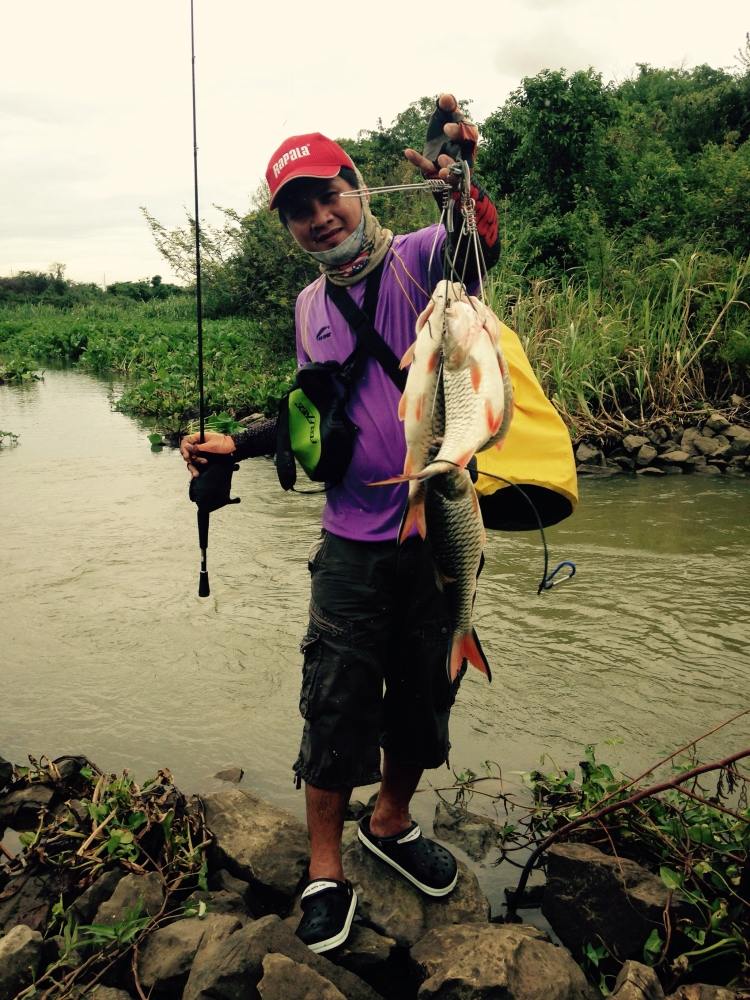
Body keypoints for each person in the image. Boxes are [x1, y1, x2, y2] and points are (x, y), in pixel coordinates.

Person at [181, 94, 500, 954]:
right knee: (335, 703)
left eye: (330, 196)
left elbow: (477, 243)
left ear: (360, 189)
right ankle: (325, 867)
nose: (320, 218)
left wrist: (459, 178)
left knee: (425, 692)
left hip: (442, 532)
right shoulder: (306, 308)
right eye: (298, 210)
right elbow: (315, 415)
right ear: (288, 226)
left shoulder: (426, 261)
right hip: (352, 543)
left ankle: (390, 823)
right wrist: (240, 444)